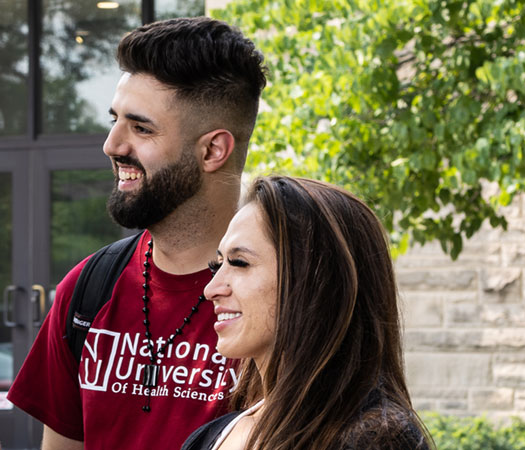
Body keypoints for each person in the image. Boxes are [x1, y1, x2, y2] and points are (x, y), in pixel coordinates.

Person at [5, 16, 268, 450]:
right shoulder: (87, 290)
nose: (112, 145)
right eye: (115, 120)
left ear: (212, 150)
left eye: (141, 128)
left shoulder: (284, 297)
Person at [179, 176, 430, 449]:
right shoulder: (208, 438)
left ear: (316, 281)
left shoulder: (375, 439)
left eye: (239, 263)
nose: (211, 289)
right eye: (217, 265)